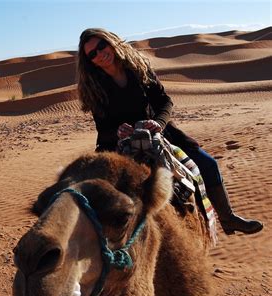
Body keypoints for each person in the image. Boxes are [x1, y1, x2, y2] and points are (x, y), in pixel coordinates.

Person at [76, 28, 263, 235]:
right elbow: (103, 130)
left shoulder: (138, 68)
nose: (100, 53)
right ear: (90, 61)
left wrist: (159, 122)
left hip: (161, 135)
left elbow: (164, 101)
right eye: (92, 54)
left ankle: (228, 219)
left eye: (101, 45)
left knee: (208, 164)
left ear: (110, 41)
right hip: (120, 144)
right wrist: (118, 131)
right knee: (97, 196)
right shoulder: (94, 88)